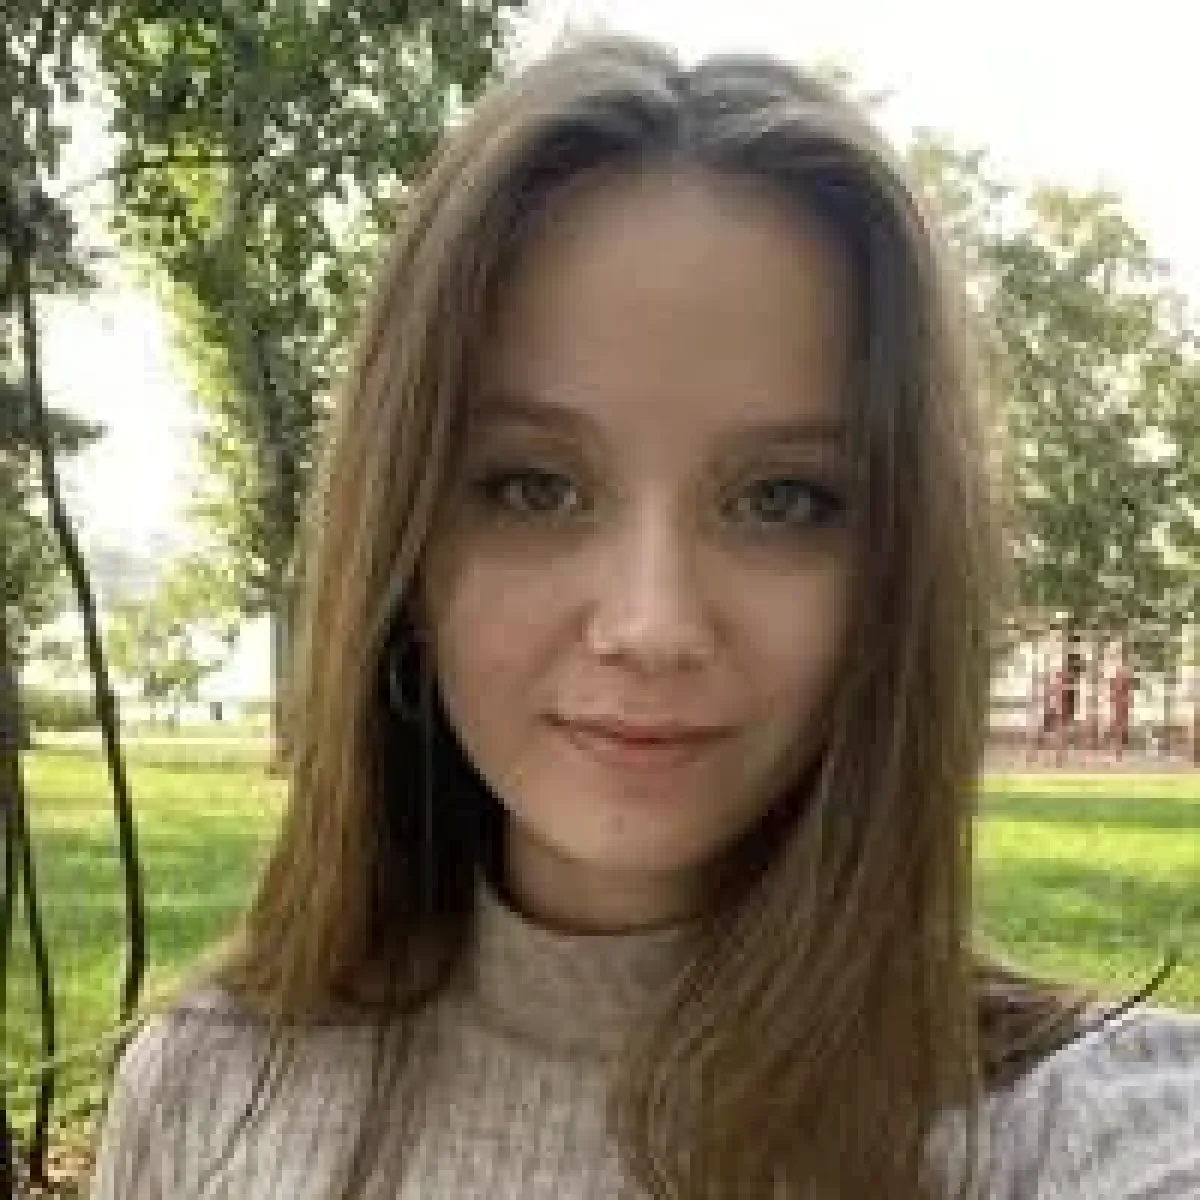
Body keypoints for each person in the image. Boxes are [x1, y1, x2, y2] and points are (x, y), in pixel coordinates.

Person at [91, 35, 1199, 1200]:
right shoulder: (207, 1098)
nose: (652, 624)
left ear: (899, 573)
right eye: (534, 487)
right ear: (406, 544)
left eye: (783, 500)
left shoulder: (1082, 1132)